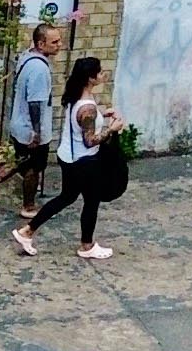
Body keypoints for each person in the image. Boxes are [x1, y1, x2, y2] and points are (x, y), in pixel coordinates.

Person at [26, 58, 124, 261]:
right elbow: (90, 140)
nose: (102, 74)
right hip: (83, 161)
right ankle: (87, 245)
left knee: (67, 197)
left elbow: (81, 122)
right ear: (90, 78)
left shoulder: (75, 97)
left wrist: (101, 116)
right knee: (91, 201)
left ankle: (27, 231)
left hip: (68, 156)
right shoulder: (87, 107)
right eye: (99, 72)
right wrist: (111, 129)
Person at [3, 24, 62, 246]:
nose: (58, 46)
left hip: (20, 124)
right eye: (54, 42)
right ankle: (28, 205)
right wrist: (37, 132)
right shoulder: (39, 69)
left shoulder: (28, 58)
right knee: (33, 168)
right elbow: (36, 102)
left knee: (22, 163)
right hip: (31, 128)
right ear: (41, 43)